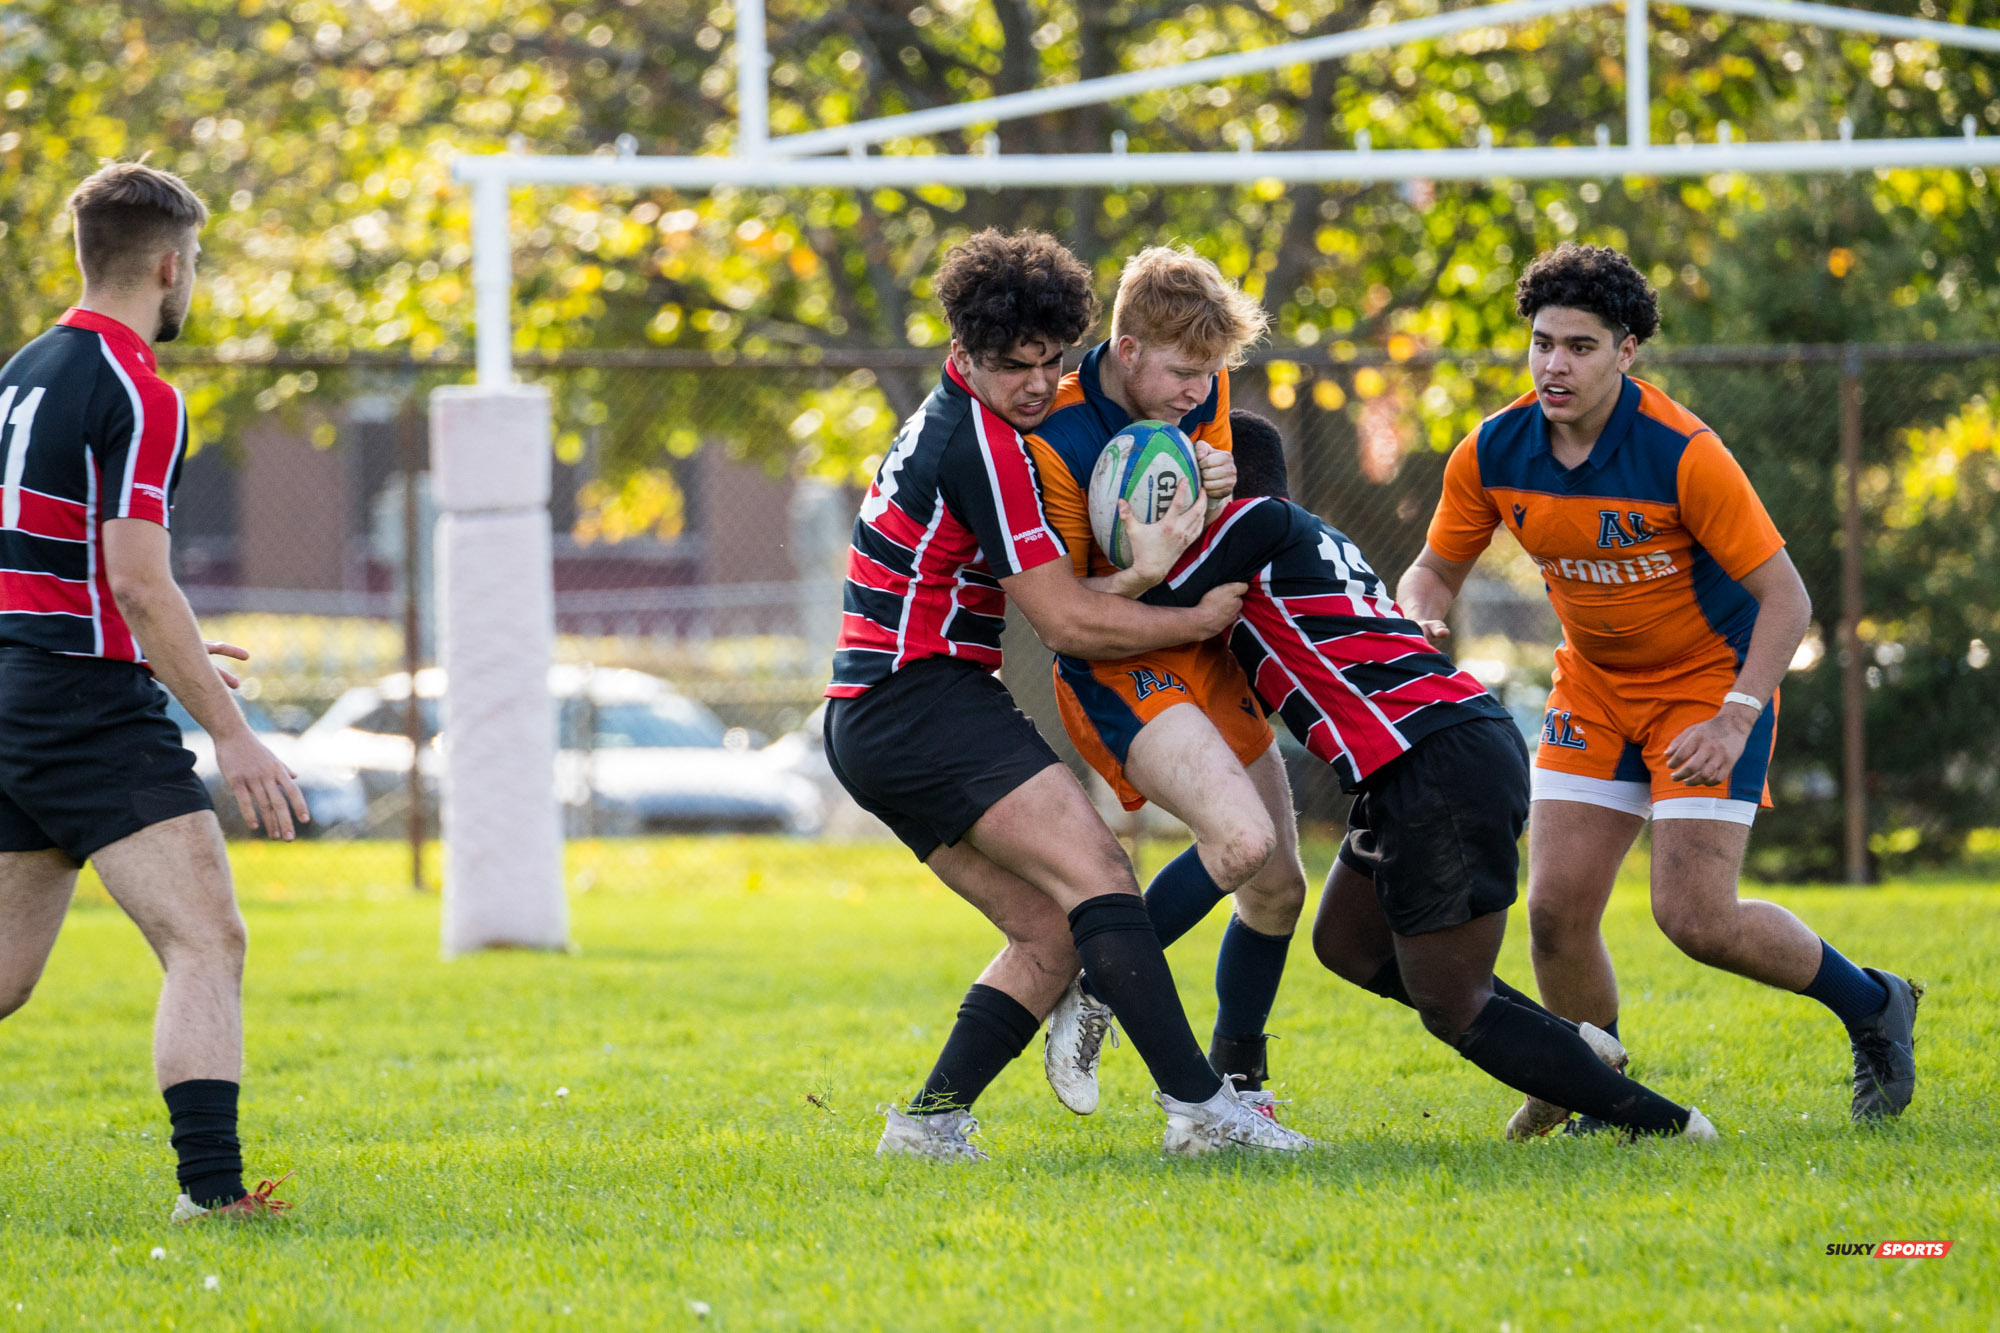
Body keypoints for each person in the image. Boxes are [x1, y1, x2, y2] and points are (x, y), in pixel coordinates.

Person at [1399, 242, 1918, 1134]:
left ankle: (1874, 1002)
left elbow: (1787, 600)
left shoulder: (1684, 453)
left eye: (1581, 346)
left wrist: (1734, 717)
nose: (1555, 365)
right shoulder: (1491, 449)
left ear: (1627, 350)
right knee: (1554, 912)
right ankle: (1601, 1095)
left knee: (1695, 918)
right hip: (1594, 689)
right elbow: (1432, 572)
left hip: (1709, 688)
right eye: (1542, 343)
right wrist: (1419, 615)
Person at [823, 229, 1310, 1159]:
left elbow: (1078, 597)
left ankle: (927, 1125)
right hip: (918, 701)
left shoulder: (962, 421)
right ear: (962, 352)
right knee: (1103, 880)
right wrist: (1191, 612)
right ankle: (1204, 1112)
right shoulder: (988, 449)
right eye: (1014, 366)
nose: (1038, 384)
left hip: (876, 715)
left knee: (1052, 931)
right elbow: (1069, 624)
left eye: (1051, 361)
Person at [1135, 422, 1717, 1140]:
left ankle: (1667, 1124)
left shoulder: (1249, 523)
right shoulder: (1301, 532)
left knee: (1452, 1001)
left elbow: (1143, 614)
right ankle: (1569, 1052)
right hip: (1428, 752)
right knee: (1347, 942)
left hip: (1435, 758)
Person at [0, 161, 309, 1220]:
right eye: (197, 263)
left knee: (5, 974)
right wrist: (234, 733)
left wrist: (154, 643)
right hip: (80, 706)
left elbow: (58, 565)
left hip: (17, 686)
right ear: (171, 265)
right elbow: (136, 577)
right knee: (206, 936)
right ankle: (211, 1196)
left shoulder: (22, 372)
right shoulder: (138, 387)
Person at [1025, 247, 1310, 1114]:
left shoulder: (1202, 390)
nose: (1200, 391)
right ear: (1129, 348)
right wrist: (1143, 573)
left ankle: (1241, 1086)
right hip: (1117, 661)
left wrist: (1218, 492)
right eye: (1184, 372)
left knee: (1278, 886)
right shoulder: (1055, 437)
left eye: (1210, 373)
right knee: (1242, 842)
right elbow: (1066, 609)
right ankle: (1097, 985)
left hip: (1204, 644)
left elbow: (1207, 527)